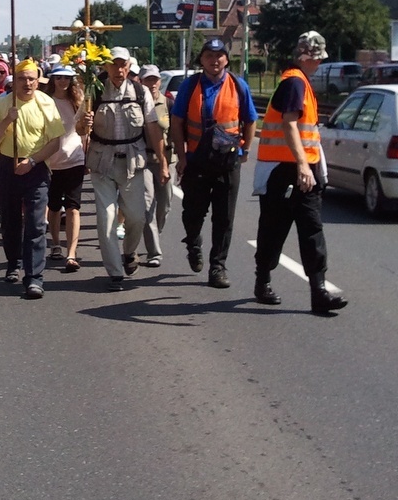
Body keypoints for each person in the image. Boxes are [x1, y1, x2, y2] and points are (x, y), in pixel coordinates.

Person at [251, 30, 347, 315]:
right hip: (285, 171)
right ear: (312, 58)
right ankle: (263, 280)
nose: (319, 63)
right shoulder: (294, 83)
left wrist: (314, 168)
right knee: (274, 229)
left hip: (302, 170)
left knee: (311, 230)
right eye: (318, 58)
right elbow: (289, 125)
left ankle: (319, 292)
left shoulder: (300, 82)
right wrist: (303, 165)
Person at [169, 37, 258, 288]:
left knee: (224, 218)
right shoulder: (190, 85)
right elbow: (177, 123)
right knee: (193, 212)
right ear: (202, 60)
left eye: (219, 55)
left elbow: (250, 120)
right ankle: (193, 242)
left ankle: (217, 267)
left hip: (227, 163)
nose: (215, 60)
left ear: (227, 59)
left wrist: (245, 150)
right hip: (196, 161)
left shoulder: (238, 86)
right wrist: (182, 157)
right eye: (209, 55)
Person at [79, 47, 169, 291]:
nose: (119, 70)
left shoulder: (140, 92)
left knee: (137, 217)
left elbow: (152, 128)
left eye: (123, 65)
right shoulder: (94, 91)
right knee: (106, 218)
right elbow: (79, 129)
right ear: (106, 67)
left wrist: (161, 162)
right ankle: (115, 272)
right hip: (102, 162)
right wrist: (84, 123)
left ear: (129, 67)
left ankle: (129, 252)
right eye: (114, 65)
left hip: (132, 163)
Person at [0, 58, 64, 299]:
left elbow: (55, 142)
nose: (27, 83)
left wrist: (31, 162)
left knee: (35, 223)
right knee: (10, 221)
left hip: (36, 167)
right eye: (22, 79)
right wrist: (8, 119)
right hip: (8, 166)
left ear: (38, 82)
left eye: (31, 79)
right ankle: (13, 262)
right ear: (15, 81)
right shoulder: (3, 103)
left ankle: (34, 277)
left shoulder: (46, 104)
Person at [45, 65, 86, 272]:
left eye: (66, 78)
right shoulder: (45, 101)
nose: (63, 81)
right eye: (59, 78)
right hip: (50, 161)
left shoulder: (77, 101)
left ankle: (71, 252)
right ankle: (55, 244)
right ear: (53, 79)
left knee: (73, 207)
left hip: (74, 158)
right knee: (53, 207)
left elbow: (84, 130)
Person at [138, 64, 173, 267]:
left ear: (159, 81)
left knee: (164, 206)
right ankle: (154, 252)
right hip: (143, 161)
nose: (151, 83)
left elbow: (177, 131)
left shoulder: (168, 103)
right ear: (141, 82)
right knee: (147, 205)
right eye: (147, 79)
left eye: (154, 79)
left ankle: (154, 234)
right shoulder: (136, 103)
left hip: (167, 160)